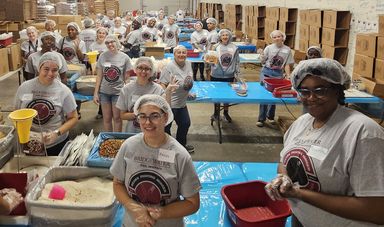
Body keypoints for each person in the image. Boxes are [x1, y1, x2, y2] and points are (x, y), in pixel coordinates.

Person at [264, 58, 384, 226]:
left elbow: (377, 210)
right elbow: (284, 160)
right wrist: (283, 178)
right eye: (304, 91)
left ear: (337, 90)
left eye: (320, 90)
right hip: (303, 218)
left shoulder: (363, 133)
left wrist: (299, 194)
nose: (311, 98)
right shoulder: (302, 122)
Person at [110, 94, 201, 227]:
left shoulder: (179, 155)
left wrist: (161, 212)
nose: (148, 122)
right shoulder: (129, 146)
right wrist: (135, 209)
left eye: (154, 116)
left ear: (165, 117)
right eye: (142, 116)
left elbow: (193, 203)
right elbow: (117, 183)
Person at [14, 52, 78, 156]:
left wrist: (56, 133)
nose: (50, 74)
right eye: (46, 69)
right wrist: (26, 133)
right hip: (30, 142)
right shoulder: (24, 87)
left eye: (54, 70)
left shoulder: (64, 91)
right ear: (39, 68)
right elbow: (16, 113)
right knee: (33, 171)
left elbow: (74, 118)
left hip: (56, 144)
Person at [116, 57, 176, 133]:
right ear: (135, 69)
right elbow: (122, 115)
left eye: (147, 69)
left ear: (152, 72)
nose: (143, 71)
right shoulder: (126, 89)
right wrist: (140, 115)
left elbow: (166, 110)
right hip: (132, 132)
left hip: (153, 131)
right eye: (140, 68)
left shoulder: (158, 89)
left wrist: (168, 93)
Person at [159, 45, 195, 153]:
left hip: (182, 102)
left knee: (185, 124)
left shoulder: (188, 64)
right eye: (178, 52)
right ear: (174, 54)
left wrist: (188, 92)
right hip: (170, 104)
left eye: (184, 52)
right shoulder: (169, 67)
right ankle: (168, 148)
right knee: (166, 128)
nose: (181, 54)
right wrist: (166, 96)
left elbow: (187, 80)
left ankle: (181, 146)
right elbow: (162, 84)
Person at [93, 35, 133, 132]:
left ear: (117, 42)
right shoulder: (102, 56)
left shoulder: (125, 58)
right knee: (106, 119)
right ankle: (109, 140)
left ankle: (117, 140)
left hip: (118, 93)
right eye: (107, 43)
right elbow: (99, 76)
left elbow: (126, 78)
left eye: (112, 42)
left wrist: (127, 94)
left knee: (117, 118)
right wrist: (96, 93)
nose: (110, 44)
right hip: (104, 92)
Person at [256, 30, 294, 127]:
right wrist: (261, 55)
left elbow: (287, 64)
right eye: (274, 37)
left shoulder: (287, 50)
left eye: (279, 36)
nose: (277, 38)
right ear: (272, 39)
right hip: (266, 72)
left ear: (283, 37)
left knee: (275, 95)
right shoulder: (268, 48)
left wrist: (288, 75)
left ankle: (271, 116)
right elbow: (263, 61)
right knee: (264, 96)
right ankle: (261, 118)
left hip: (278, 74)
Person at [210, 29, 240, 123]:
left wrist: (237, 73)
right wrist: (208, 60)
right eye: (223, 35)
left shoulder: (235, 47)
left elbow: (237, 61)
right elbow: (210, 59)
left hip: (229, 75)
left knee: (227, 95)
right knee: (216, 94)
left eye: (227, 35)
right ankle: (216, 112)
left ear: (230, 36)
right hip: (216, 74)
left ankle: (226, 112)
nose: (225, 37)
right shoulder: (215, 46)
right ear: (220, 37)